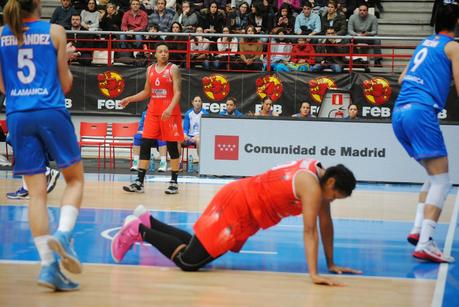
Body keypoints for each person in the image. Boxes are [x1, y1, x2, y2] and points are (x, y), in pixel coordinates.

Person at [111, 159, 362, 286]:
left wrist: (331, 263)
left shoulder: (319, 176)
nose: (332, 201)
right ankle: (139, 230)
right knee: (190, 262)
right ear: (331, 184)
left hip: (241, 201)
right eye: (335, 196)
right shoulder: (313, 187)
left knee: (196, 248)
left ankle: (149, 221)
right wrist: (314, 274)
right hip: (238, 207)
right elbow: (310, 231)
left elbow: (325, 225)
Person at [0, 0, 84, 291]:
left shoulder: (1, 34)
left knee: (36, 194)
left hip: (17, 116)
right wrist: (64, 62)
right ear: (37, 3)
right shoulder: (56, 31)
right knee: (74, 180)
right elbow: (65, 84)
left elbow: (2, 86)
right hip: (50, 110)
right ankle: (63, 234)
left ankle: (49, 266)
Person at [392, 4, 459, 263]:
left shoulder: (425, 42)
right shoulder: (453, 46)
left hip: (399, 112)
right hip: (421, 112)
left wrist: (439, 76)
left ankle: (418, 228)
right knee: (444, 182)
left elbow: (401, 78)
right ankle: (426, 242)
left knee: (434, 176)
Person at [120, 42, 183, 194]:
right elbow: (147, 92)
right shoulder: (150, 69)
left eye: (166, 52)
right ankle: (139, 183)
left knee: (172, 146)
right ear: (155, 54)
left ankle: (174, 182)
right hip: (153, 112)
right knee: (145, 144)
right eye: (160, 51)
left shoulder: (173, 69)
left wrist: (169, 108)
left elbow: (178, 93)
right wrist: (130, 98)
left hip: (169, 112)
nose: (163, 54)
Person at [182, 95, 208, 161]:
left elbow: (206, 129)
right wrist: (185, 135)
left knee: (198, 140)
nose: (197, 103)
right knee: (179, 140)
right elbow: (185, 128)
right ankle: (179, 164)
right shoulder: (188, 113)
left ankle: (201, 163)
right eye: (196, 101)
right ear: (192, 102)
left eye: (199, 101)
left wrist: (198, 136)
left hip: (200, 136)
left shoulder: (205, 113)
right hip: (189, 136)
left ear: (201, 103)